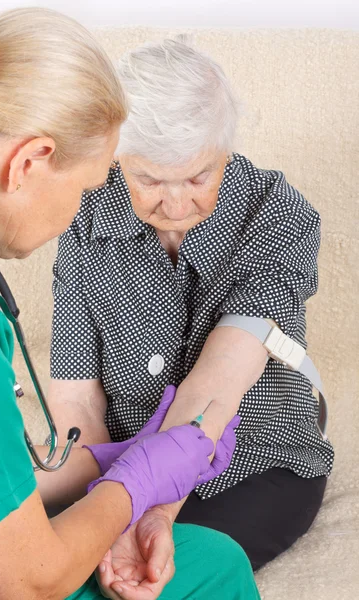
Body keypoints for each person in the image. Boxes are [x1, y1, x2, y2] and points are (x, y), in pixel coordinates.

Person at [0, 7, 261, 600]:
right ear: (29, 162)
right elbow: (31, 582)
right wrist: (136, 481)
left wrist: (104, 464)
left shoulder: (272, 211)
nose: (83, 211)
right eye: (90, 188)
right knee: (216, 565)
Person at [48, 36, 335, 573]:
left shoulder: (278, 215)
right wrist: (58, 500)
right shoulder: (86, 215)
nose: (176, 203)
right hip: (121, 455)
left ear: (225, 152)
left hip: (256, 456)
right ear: (117, 158)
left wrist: (139, 512)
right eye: (149, 179)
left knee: (156, 568)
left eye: (199, 177)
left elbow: (214, 391)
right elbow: (78, 407)